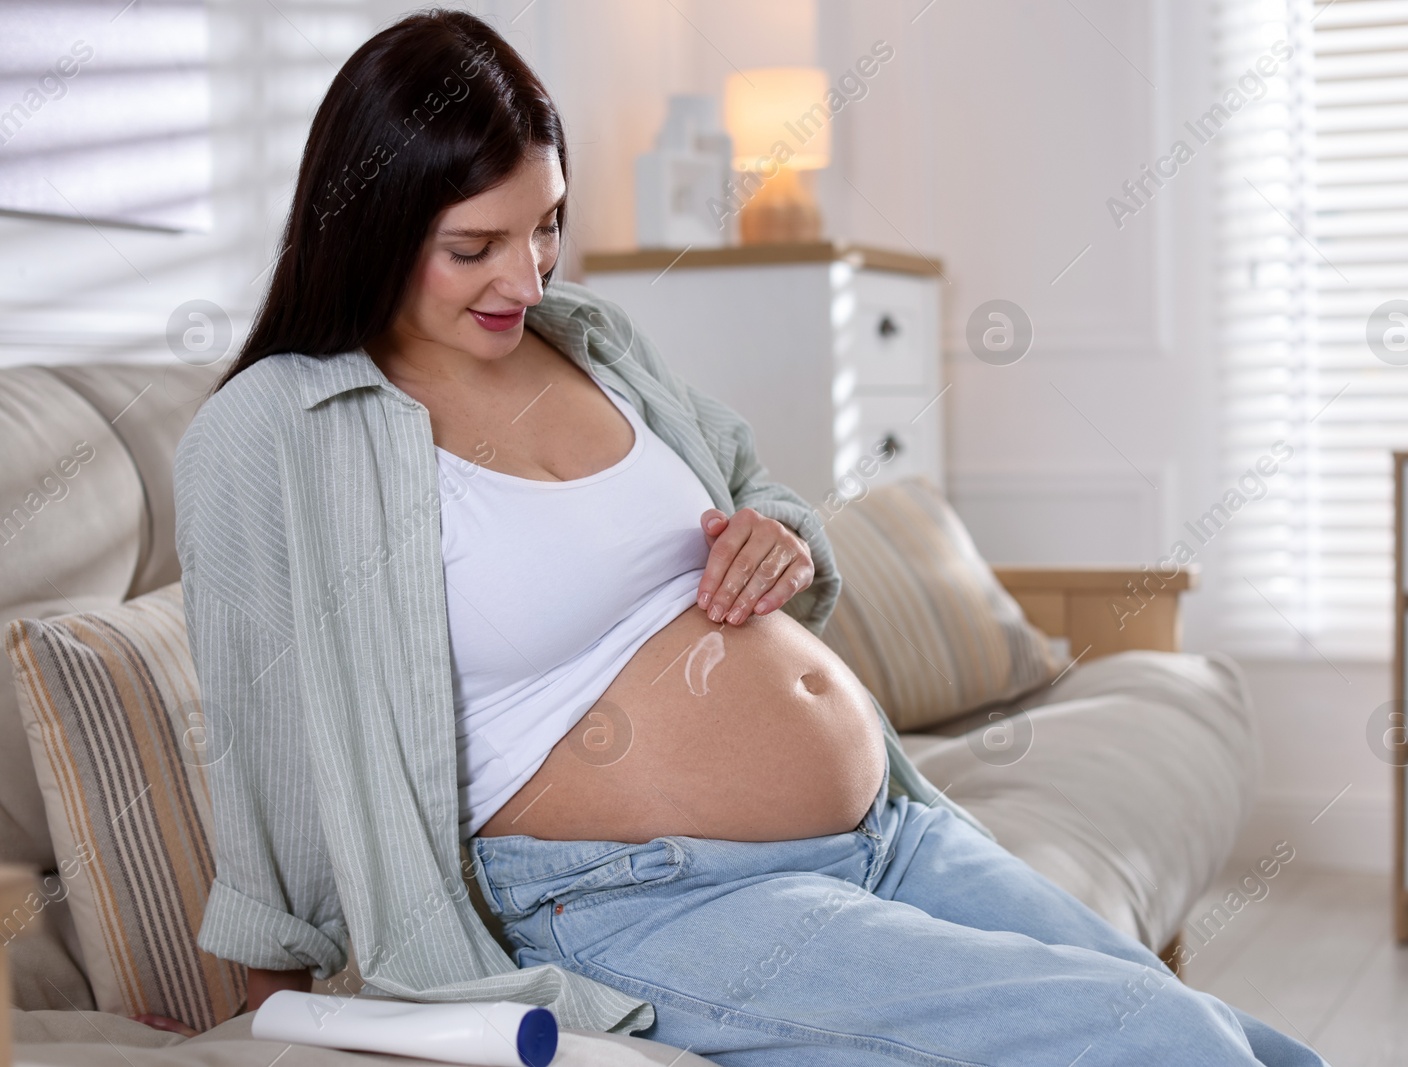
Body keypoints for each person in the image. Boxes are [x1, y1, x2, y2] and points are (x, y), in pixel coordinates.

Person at [175, 9, 1328, 1066]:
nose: (523, 277)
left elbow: (749, 485)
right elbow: (262, 734)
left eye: (548, 227)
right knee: (1161, 1044)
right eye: (474, 246)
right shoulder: (278, 432)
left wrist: (777, 535)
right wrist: (272, 1011)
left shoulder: (590, 339)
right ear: (370, 223)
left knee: (1247, 1046)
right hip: (642, 899)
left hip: (888, 828)